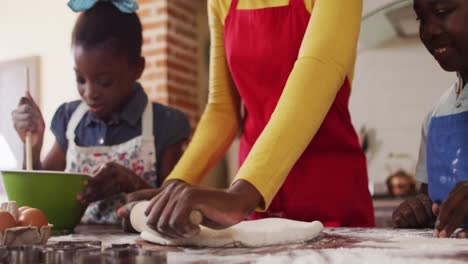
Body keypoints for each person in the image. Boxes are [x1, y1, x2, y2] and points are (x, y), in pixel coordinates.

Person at [119, 0, 374, 238]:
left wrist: (242, 193)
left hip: (327, 191)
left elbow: (319, 71)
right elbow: (222, 109)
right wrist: (174, 185)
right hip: (256, 203)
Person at [11, 0, 190, 224]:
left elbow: (178, 205)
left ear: (137, 69)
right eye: (80, 79)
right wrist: (33, 144)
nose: (89, 93)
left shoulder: (165, 124)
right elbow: (37, 198)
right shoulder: (69, 119)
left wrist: (132, 182)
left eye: (104, 82)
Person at [393, 0, 468, 238]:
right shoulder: (436, 115)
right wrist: (418, 209)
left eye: (442, 12)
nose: (430, 31)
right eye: (422, 19)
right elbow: (430, 198)